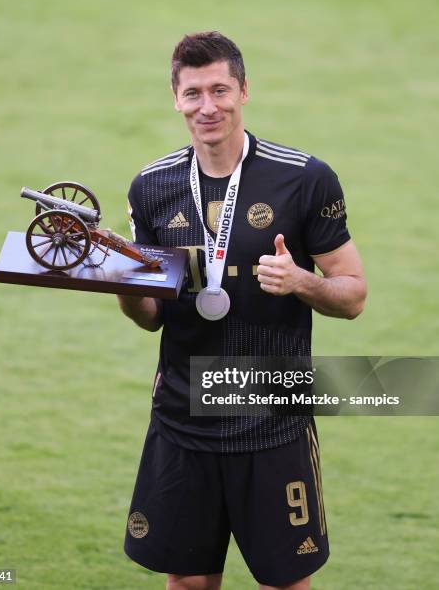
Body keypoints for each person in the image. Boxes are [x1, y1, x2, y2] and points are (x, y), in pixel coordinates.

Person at [117, 31, 366, 590]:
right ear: (175, 99)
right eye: (193, 93)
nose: (208, 107)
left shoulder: (303, 178)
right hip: (184, 419)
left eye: (220, 90)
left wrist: (301, 279)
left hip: (272, 420)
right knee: (187, 582)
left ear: (245, 91)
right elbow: (149, 316)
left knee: (285, 583)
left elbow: (352, 295)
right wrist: (121, 283)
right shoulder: (152, 187)